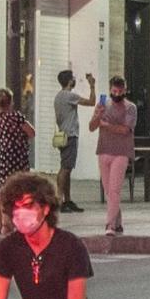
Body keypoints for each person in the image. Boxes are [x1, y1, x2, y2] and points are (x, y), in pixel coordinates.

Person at [0, 89, 35, 235]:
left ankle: (4, 223)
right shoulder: (17, 116)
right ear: (11, 102)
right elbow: (31, 132)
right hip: (17, 158)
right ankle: (16, 222)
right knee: (18, 190)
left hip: (0, 159)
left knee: (2, 191)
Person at [88, 75, 136, 236]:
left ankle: (110, 224)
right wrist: (97, 116)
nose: (117, 94)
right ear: (110, 90)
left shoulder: (130, 107)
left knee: (114, 189)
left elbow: (125, 130)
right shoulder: (103, 105)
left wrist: (105, 124)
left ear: (125, 90)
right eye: (114, 91)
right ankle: (118, 220)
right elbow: (92, 127)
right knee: (109, 190)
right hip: (103, 150)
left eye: (120, 91)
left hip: (121, 152)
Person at [50, 70, 96, 213]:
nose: (75, 80)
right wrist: (92, 85)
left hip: (62, 134)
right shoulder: (70, 96)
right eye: (73, 78)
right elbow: (91, 102)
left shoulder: (58, 97)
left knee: (67, 167)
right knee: (65, 168)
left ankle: (67, 200)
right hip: (70, 135)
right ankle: (59, 199)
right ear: (69, 81)